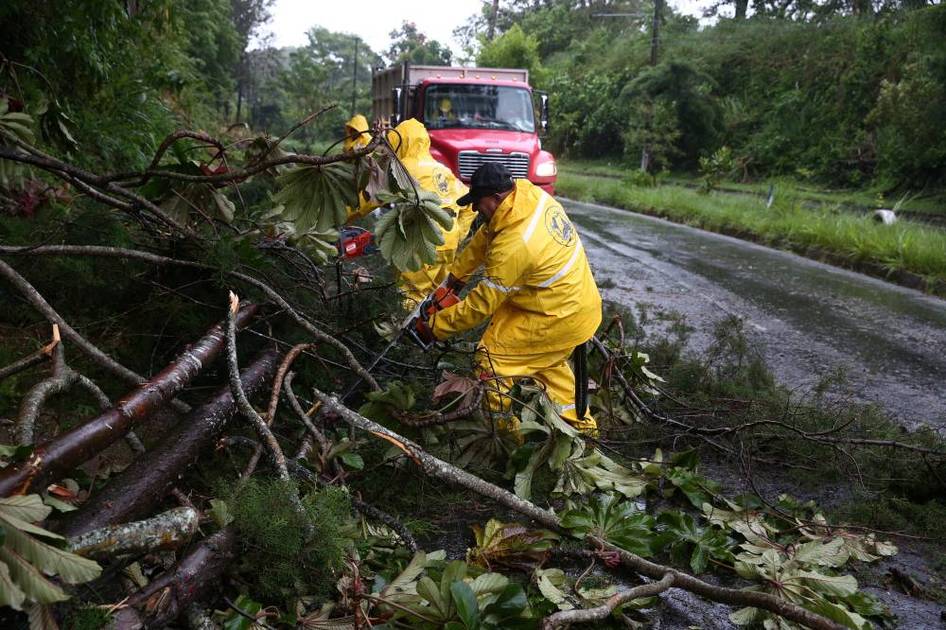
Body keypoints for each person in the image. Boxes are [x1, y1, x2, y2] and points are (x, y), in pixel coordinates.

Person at [412, 163, 602, 433]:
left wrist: (432, 328)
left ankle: (504, 436)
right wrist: (456, 279)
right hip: (572, 307)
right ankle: (584, 431)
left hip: (555, 317)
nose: (476, 209)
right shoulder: (526, 198)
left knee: (492, 360)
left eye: (479, 202)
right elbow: (485, 236)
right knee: (546, 363)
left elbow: (480, 306)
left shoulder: (516, 243)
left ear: (496, 198)